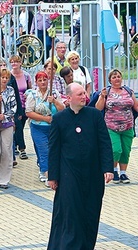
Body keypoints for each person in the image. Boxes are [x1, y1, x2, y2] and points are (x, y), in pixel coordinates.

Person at [47, 83, 114, 250]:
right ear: (69, 98)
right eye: (79, 94)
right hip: (69, 174)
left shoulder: (95, 115)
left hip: (93, 173)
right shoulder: (59, 119)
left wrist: (108, 168)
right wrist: (53, 177)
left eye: (84, 93)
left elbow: (104, 143)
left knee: (90, 212)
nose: (84, 96)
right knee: (71, 213)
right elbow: (54, 150)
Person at [95, 69, 138, 184]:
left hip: (128, 126)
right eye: (114, 77)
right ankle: (114, 171)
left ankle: (123, 173)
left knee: (125, 150)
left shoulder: (128, 91)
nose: (117, 79)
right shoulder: (107, 92)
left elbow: (136, 106)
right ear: (110, 80)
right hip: (111, 126)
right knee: (116, 150)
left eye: (118, 76)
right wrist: (102, 97)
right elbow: (98, 108)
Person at [25, 71, 64, 187]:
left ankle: (44, 169)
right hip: (38, 127)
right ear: (36, 82)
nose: (43, 82)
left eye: (45, 80)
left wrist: (55, 101)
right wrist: (44, 118)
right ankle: (49, 175)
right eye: (40, 80)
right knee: (43, 150)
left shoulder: (54, 93)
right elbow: (28, 112)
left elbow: (62, 109)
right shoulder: (33, 95)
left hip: (53, 128)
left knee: (53, 150)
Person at [9, 55, 32, 160]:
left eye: (16, 62)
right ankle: (22, 149)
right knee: (17, 126)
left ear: (20, 63)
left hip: (24, 104)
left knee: (20, 126)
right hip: (13, 105)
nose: (14, 64)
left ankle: (15, 144)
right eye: (12, 62)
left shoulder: (26, 75)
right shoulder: (8, 75)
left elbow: (30, 89)